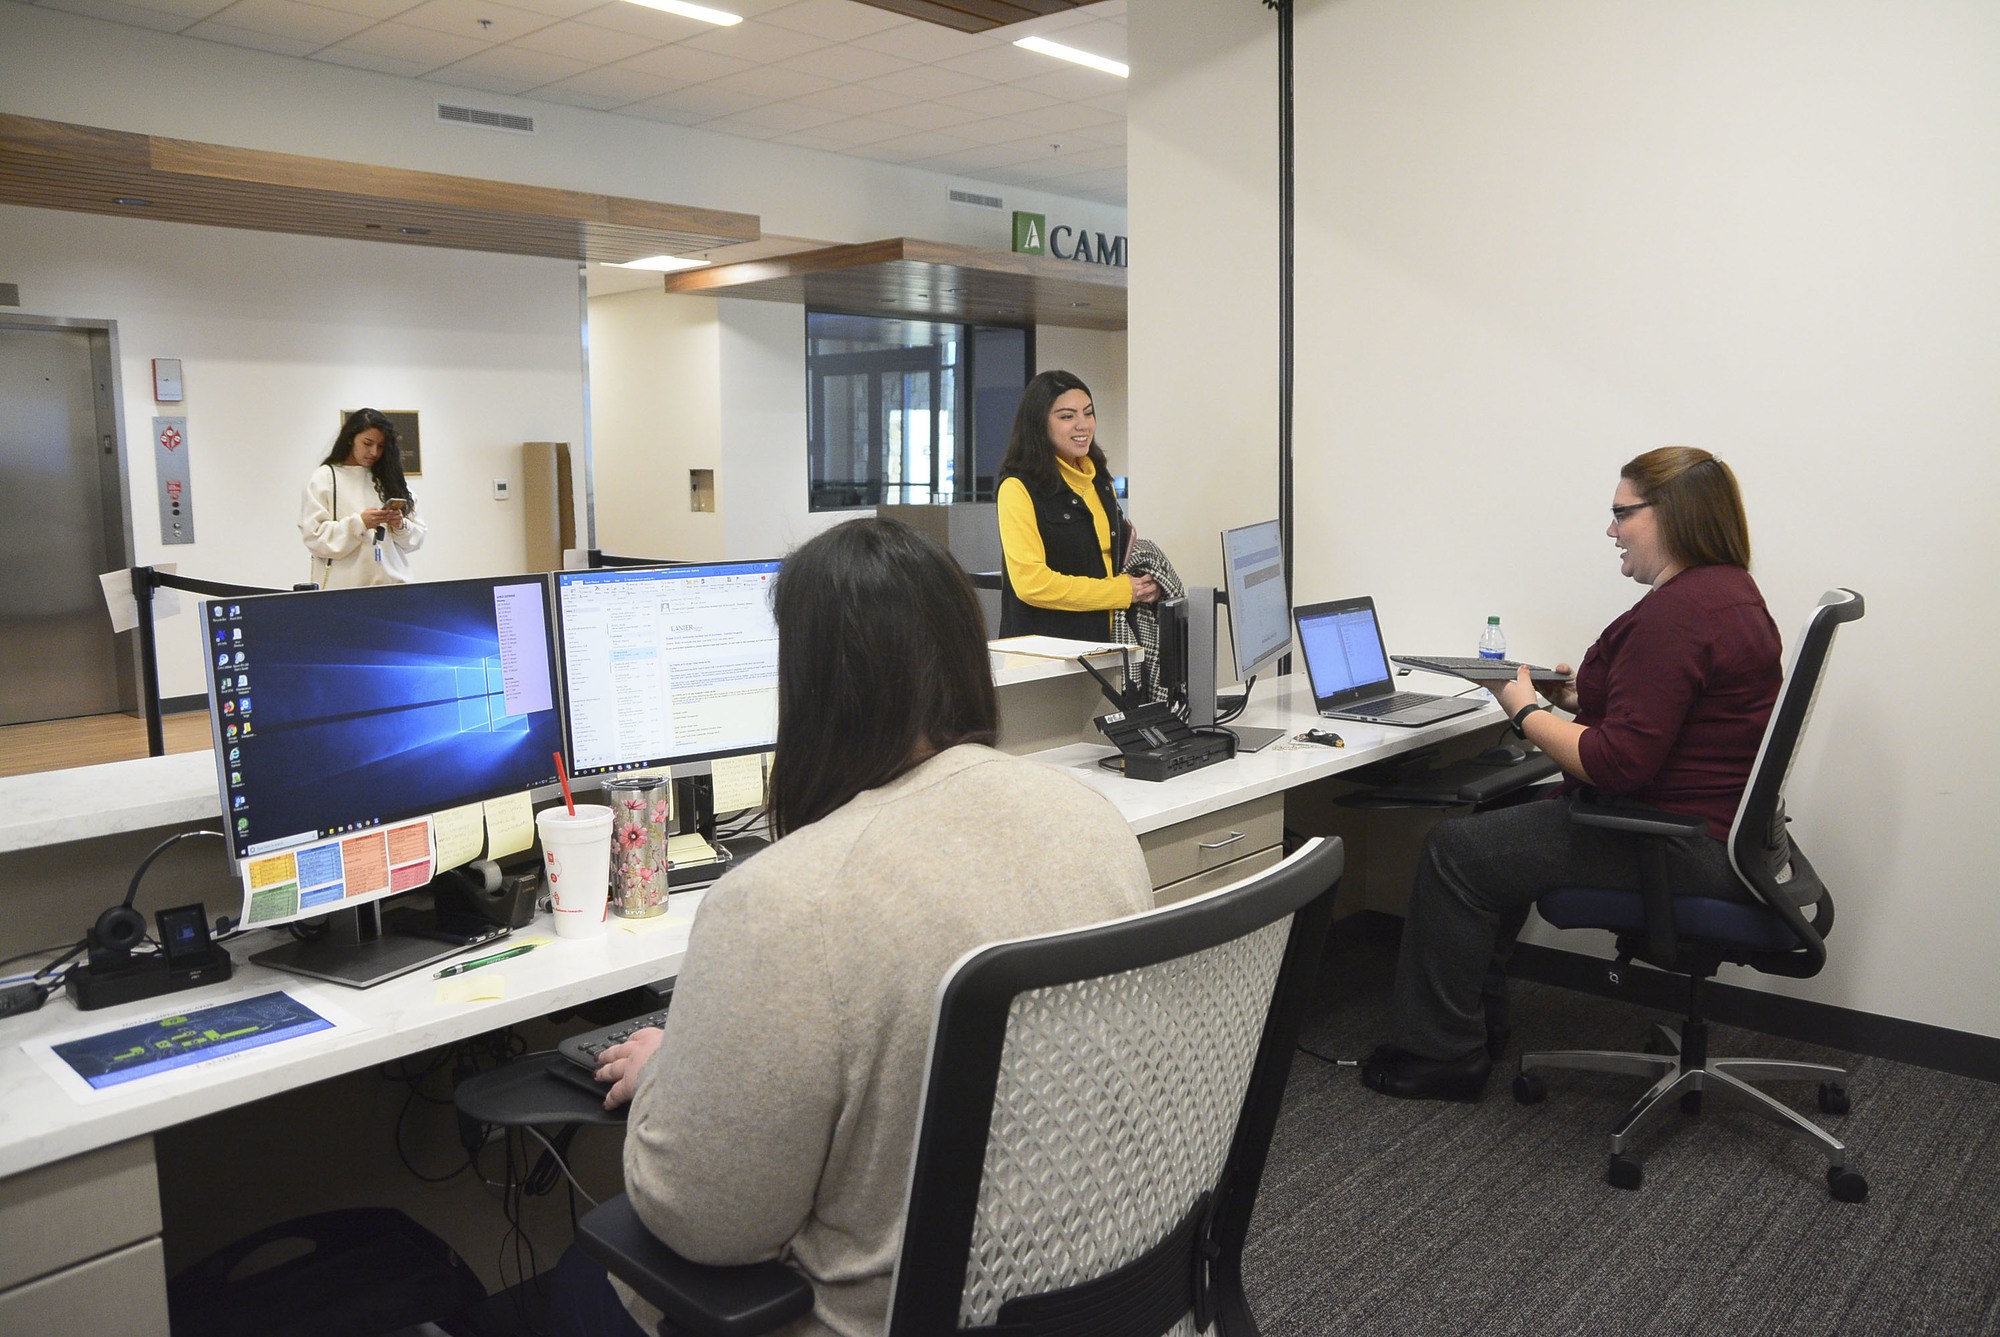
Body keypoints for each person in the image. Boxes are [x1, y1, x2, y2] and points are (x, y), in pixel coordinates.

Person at [555, 518, 1155, 1337]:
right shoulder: (1093, 821)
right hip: (1091, 1294)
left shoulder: (787, 900)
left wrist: (666, 1070)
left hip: (870, 1320)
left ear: (809, 686)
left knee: (580, 1273)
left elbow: (705, 1222)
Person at [1361, 447, 1781, 1101]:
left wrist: (1522, 705)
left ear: (1670, 513)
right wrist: (1578, 698)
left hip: (1670, 842)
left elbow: (1619, 761)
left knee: (1453, 852)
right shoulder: (1728, 593)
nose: (1611, 530)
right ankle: (1472, 1025)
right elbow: (1671, 716)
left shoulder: (1679, 614)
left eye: (1622, 514)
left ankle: (1440, 1056)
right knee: (1493, 824)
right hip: (1714, 831)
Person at [996, 369, 1160, 639]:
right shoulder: (1018, 487)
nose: (1083, 425)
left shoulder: (1100, 481)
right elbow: (1031, 584)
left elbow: (1115, 563)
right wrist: (1121, 591)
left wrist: (1146, 586)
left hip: (1106, 646)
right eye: (1067, 417)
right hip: (1046, 655)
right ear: (1039, 423)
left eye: (1088, 412)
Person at [299, 408, 424, 588]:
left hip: (394, 587)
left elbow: (416, 539)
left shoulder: (390, 478)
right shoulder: (325, 478)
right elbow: (315, 537)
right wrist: (360, 523)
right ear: (350, 438)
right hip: (345, 593)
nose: (374, 452)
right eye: (367, 443)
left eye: (381, 446)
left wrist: (400, 525)